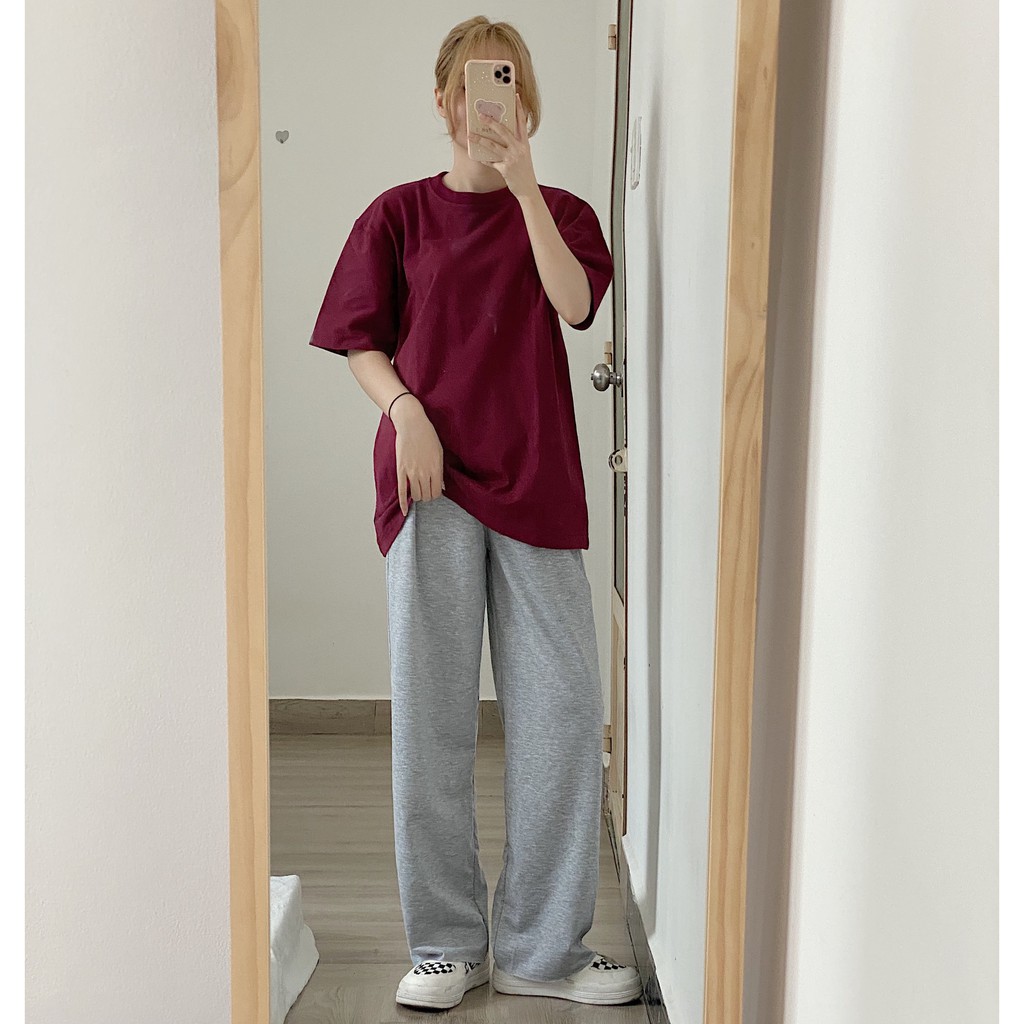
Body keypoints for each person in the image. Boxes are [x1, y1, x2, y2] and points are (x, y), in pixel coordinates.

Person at [309, 14, 643, 1013]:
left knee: (563, 714)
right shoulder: (397, 215)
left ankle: (542, 948)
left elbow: (574, 304)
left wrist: (526, 184)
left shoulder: (564, 213)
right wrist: (405, 411)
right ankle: (446, 944)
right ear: (443, 101)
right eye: (468, 88)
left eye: (504, 87)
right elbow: (362, 342)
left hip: (536, 483)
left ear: (524, 103)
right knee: (433, 719)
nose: (484, 105)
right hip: (429, 483)